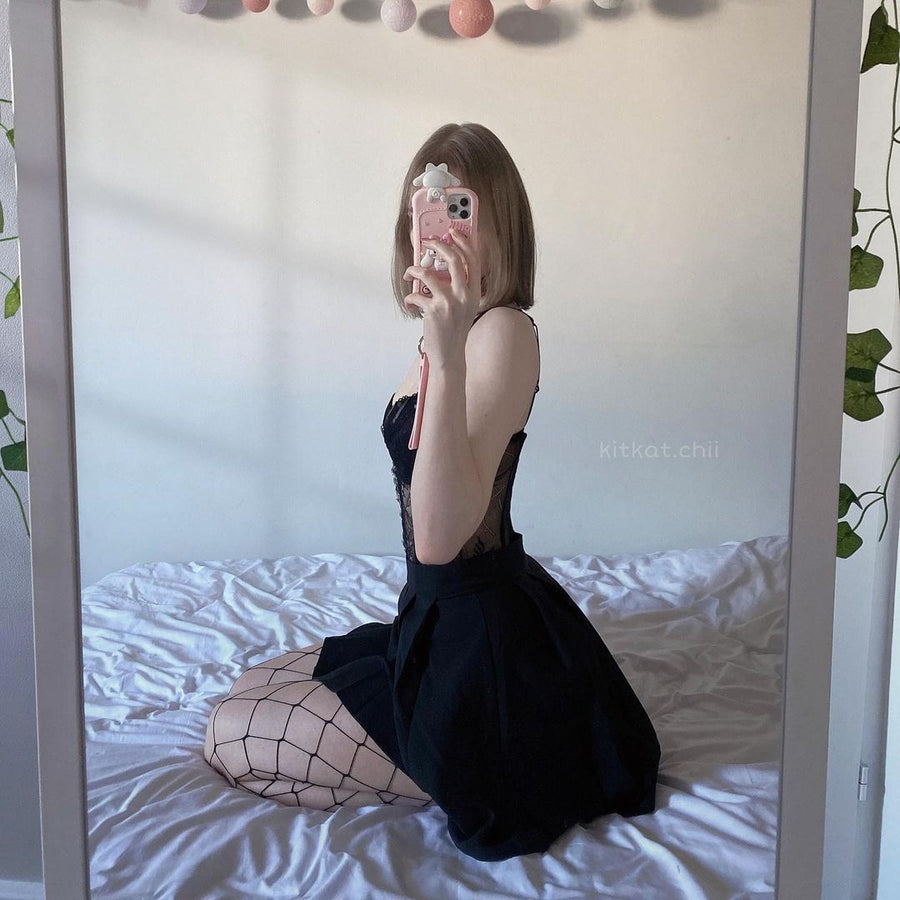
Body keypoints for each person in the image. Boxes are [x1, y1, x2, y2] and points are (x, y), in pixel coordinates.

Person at [203, 122, 661, 863]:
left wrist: (447, 356)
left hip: (480, 644)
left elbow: (441, 540)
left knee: (232, 737)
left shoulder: (502, 332)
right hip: (432, 619)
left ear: (498, 224)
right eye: (424, 207)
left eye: (461, 209)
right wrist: (440, 341)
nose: (437, 228)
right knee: (249, 688)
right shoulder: (448, 333)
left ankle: (465, 768)